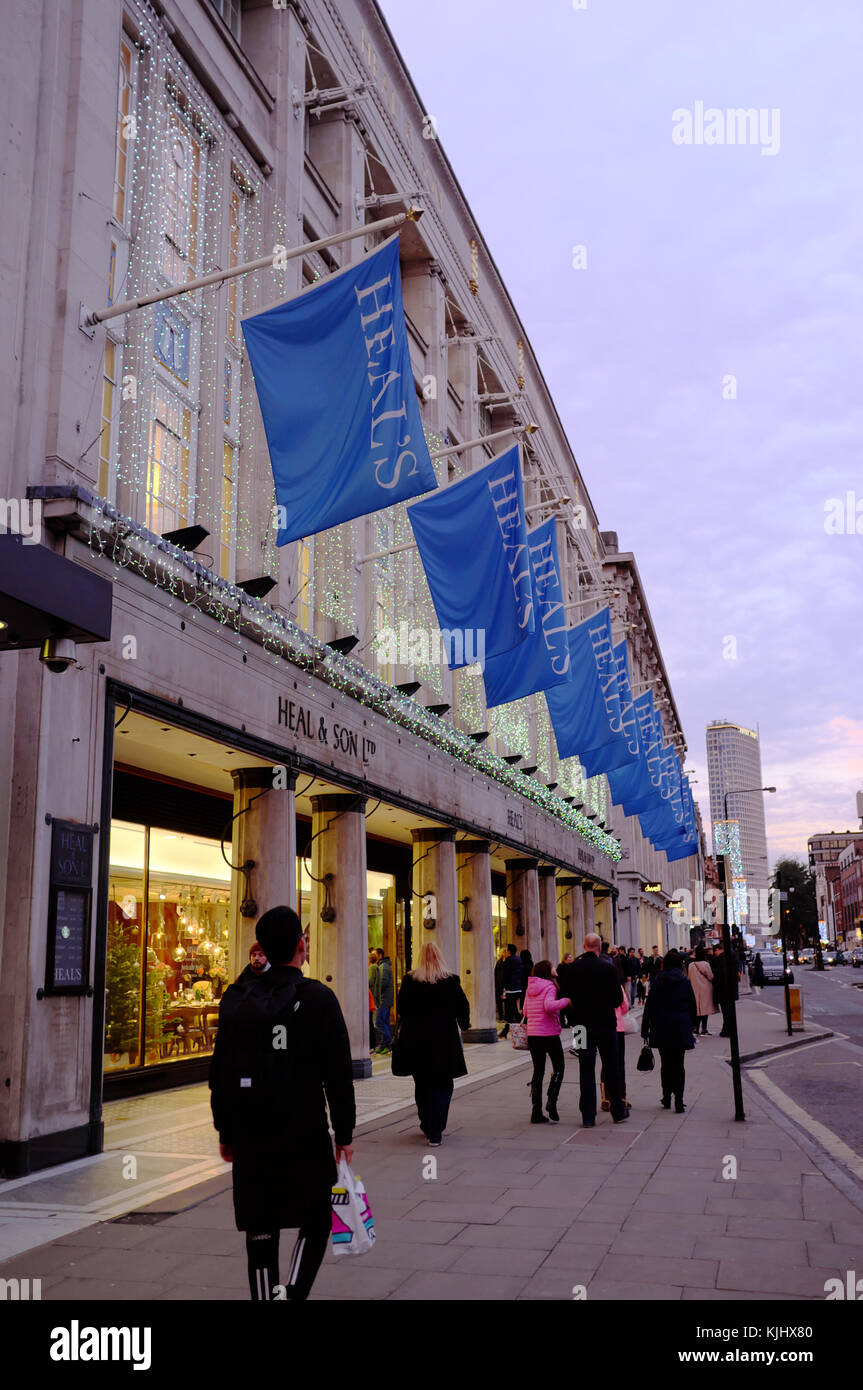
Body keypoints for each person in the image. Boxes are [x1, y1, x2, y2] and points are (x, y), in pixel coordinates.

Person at [209, 905, 354, 1301]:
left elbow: (220, 1073)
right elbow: (339, 1075)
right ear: (299, 945)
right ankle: (291, 1293)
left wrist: (225, 1130)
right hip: (302, 1130)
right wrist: (344, 1132)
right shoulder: (319, 999)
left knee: (260, 1229)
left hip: (252, 1134)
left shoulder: (236, 999)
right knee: (317, 1217)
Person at [393, 942, 470, 1146]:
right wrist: (464, 1023)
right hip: (444, 1039)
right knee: (444, 1084)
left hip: (416, 1040)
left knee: (422, 1083)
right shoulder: (451, 980)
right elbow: (462, 1006)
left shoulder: (410, 979)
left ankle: (427, 1124)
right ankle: (436, 1128)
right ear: (440, 957)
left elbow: (401, 1007)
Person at [567, 932, 628, 1126]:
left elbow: (566, 997)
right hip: (605, 1024)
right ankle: (617, 1111)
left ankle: (587, 1116)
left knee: (585, 1068)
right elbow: (618, 1000)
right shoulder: (607, 968)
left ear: (584, 946)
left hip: (580, 1027)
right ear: (599, 947)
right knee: (611, 1067)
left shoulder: (572, 968)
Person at [641, 948, 697, 1113]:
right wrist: (692, 1025)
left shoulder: (658, 981)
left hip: (661, 1026)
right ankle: (679, 1102)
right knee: (679, 1065)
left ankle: (666, 1097)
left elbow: (649, 1007)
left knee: (665, 1065)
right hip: (680, 1027)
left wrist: (645, 1029)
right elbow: (692, 1006)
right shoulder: (685, 982)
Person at [522, 961, 570, 1123]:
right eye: (552, 967)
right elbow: (549, 1006)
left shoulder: (531, 987)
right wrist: (566, 1001)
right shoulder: (549, 986)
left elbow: (525, 1011)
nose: (554, 969)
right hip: (549, 1033)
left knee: (538, 1071)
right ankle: (551, 1100)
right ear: (547, 971)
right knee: (559, 1067)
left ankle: (536, 1112)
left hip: (534, 1034)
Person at [688, 945, 717, 1036]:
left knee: (697, 1010)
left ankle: (695, 1028)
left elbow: (689, 978)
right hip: (706, 989)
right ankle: (704, 1029)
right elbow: (711, 976)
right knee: (705, 1010)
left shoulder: (691, 965)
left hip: (694, 989)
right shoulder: (705, 964)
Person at [499, 943, 524, 1039]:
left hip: (510, 990)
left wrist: (502, 991)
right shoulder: (519, 960)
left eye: (505, 951)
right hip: (518, 988)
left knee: (510, 1011)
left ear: (508, 952)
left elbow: (504, 977)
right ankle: (506, 1031)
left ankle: (517, 1029)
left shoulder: (507, 962)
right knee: (512, 1010)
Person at [375, 947, 394, 1053]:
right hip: (385, 999)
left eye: (374, 954)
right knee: (384, 1022)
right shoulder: (383, 966)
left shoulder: (383, 967)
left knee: (379, 1022)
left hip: (383, 1000)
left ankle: (389, 1043)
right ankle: (384, 1044)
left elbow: (382, 983)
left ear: (380, 955)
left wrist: (374, 991)